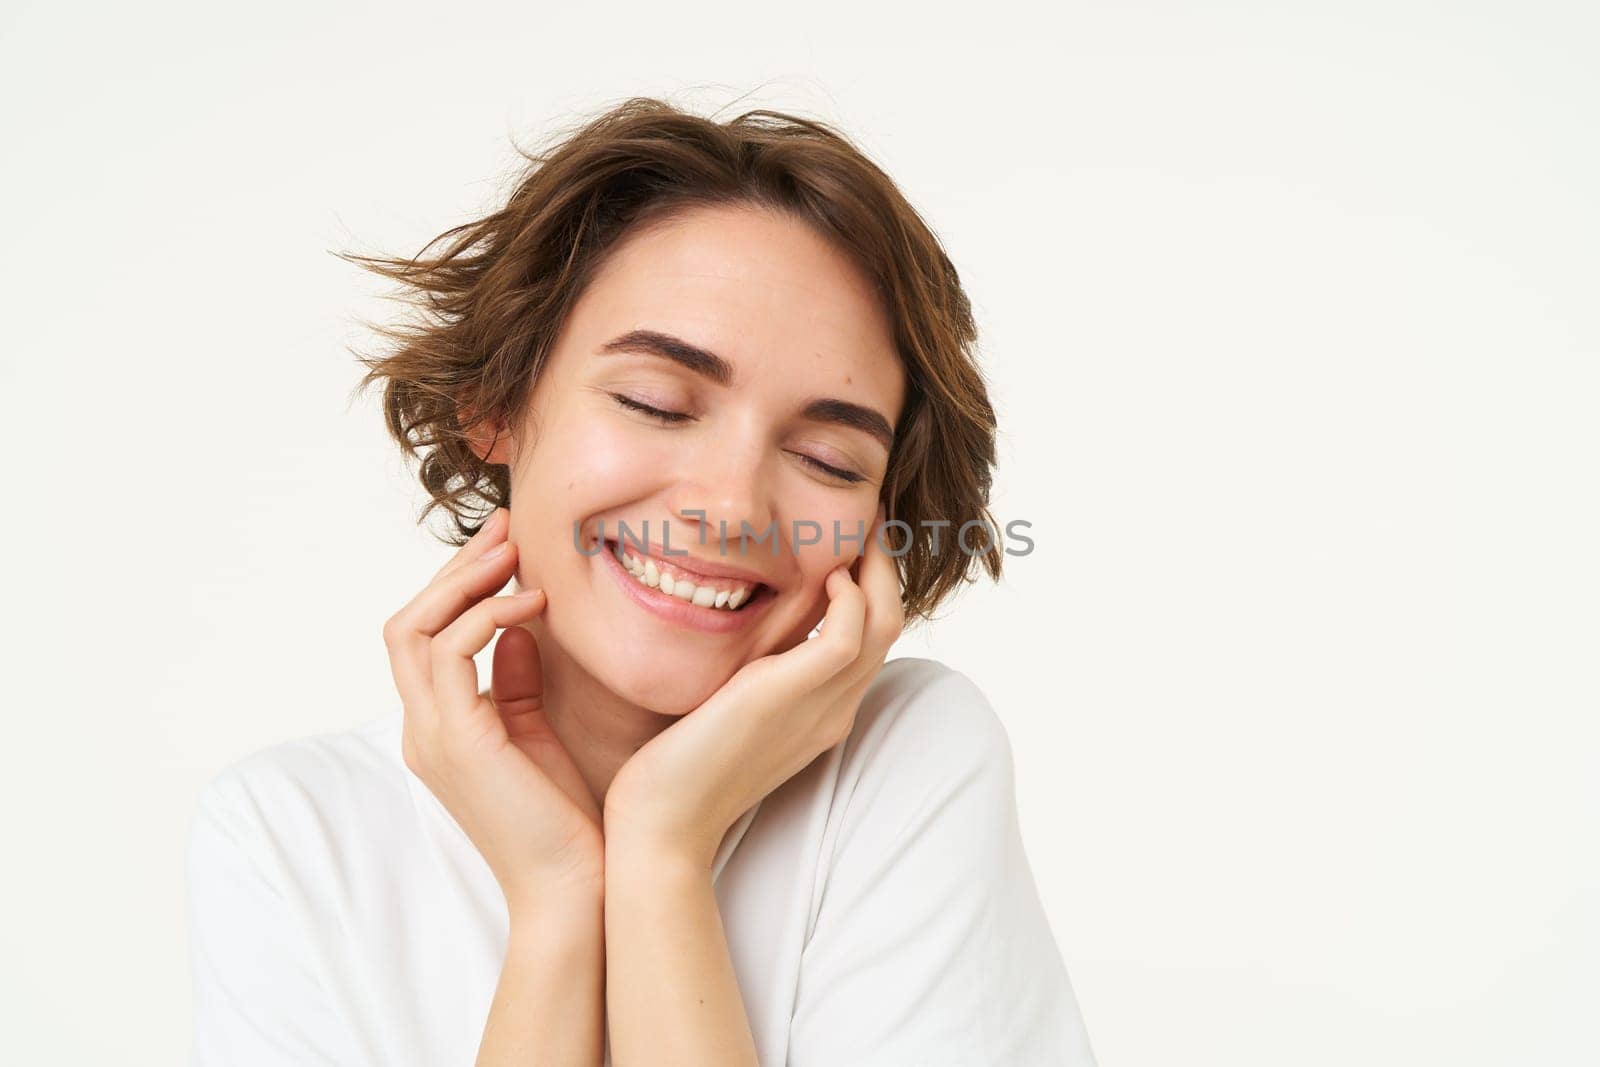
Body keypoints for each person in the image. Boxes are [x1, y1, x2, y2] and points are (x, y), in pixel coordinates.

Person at [186, 96, 1098, 1066]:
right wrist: (555, 902)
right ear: (495, 404)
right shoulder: (289, 838)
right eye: (655, 402)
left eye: (829, 458)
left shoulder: (907, 760)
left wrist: (662, 847)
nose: (732, 506)